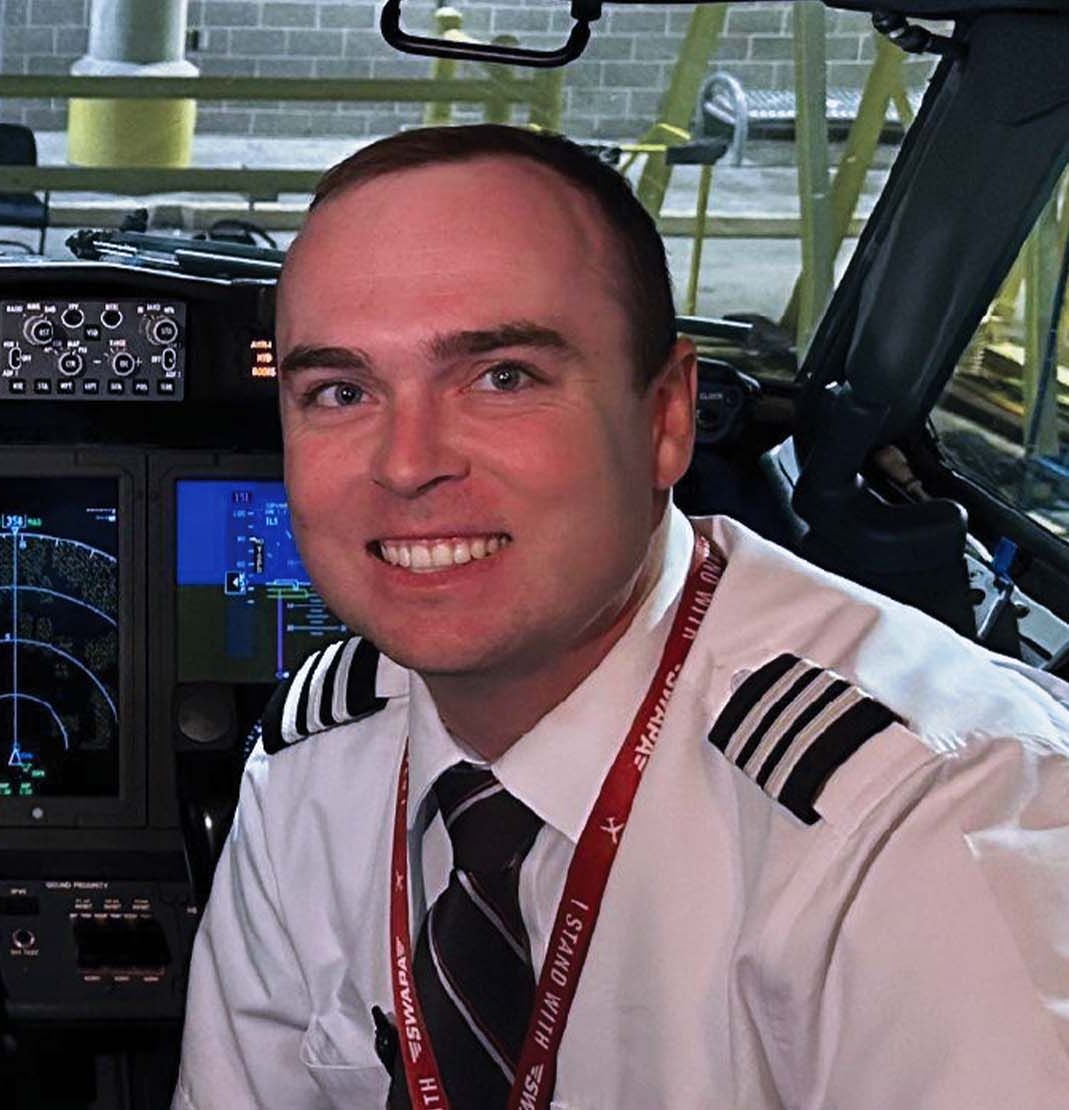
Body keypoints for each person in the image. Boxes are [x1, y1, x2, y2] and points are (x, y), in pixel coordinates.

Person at [172, 124, 1069, 1109]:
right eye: (340, 391)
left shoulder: (931, 822)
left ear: (665, 419)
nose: (404, 462)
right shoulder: (310, 763)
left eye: (501, 377)